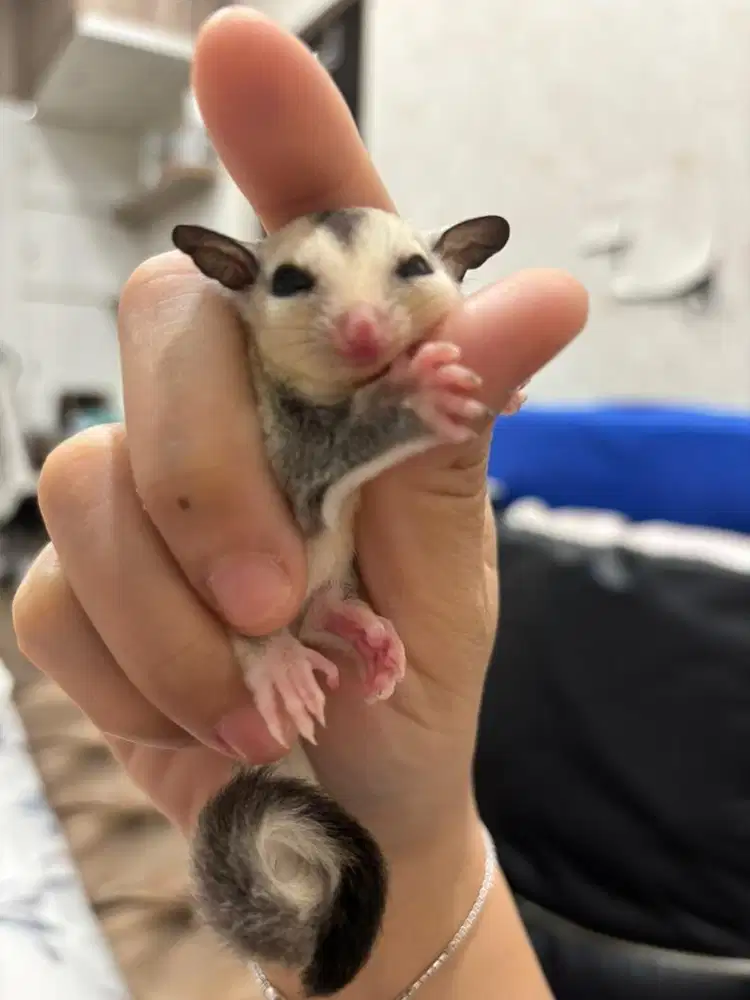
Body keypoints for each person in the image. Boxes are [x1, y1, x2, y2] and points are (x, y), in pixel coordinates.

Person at [12, 8, 588, 999]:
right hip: (281, 621)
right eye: (295, 285)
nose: (362, 321)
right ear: (237, 289)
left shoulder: (431, 381)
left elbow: (357, 475)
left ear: (455, 270)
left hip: (321, 640)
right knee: (262, 549)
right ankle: (293, 631)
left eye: (410, 271)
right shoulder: (282, 388)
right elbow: (318, 468)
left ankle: (304, 627)